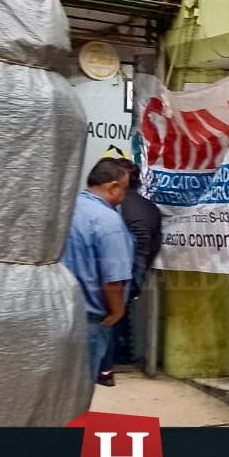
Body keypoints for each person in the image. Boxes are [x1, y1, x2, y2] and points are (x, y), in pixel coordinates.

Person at [62, 159, 134, 383]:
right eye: (125, 188)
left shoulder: (67, 209)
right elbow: (113, 280)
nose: (125, 195)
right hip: (90, 320)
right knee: (80, 387)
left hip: (58, 310)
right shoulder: (109, 221)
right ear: (113, 187)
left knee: (60, 388)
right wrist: (117, 312)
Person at [96, 159, 162, 386]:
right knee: (118, 312)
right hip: (139, 267)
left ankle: (105, 368)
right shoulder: (150, 208)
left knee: (108, 316)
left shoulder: (114, 208)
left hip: (118, 266)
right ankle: (118, 357)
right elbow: (155, 244)